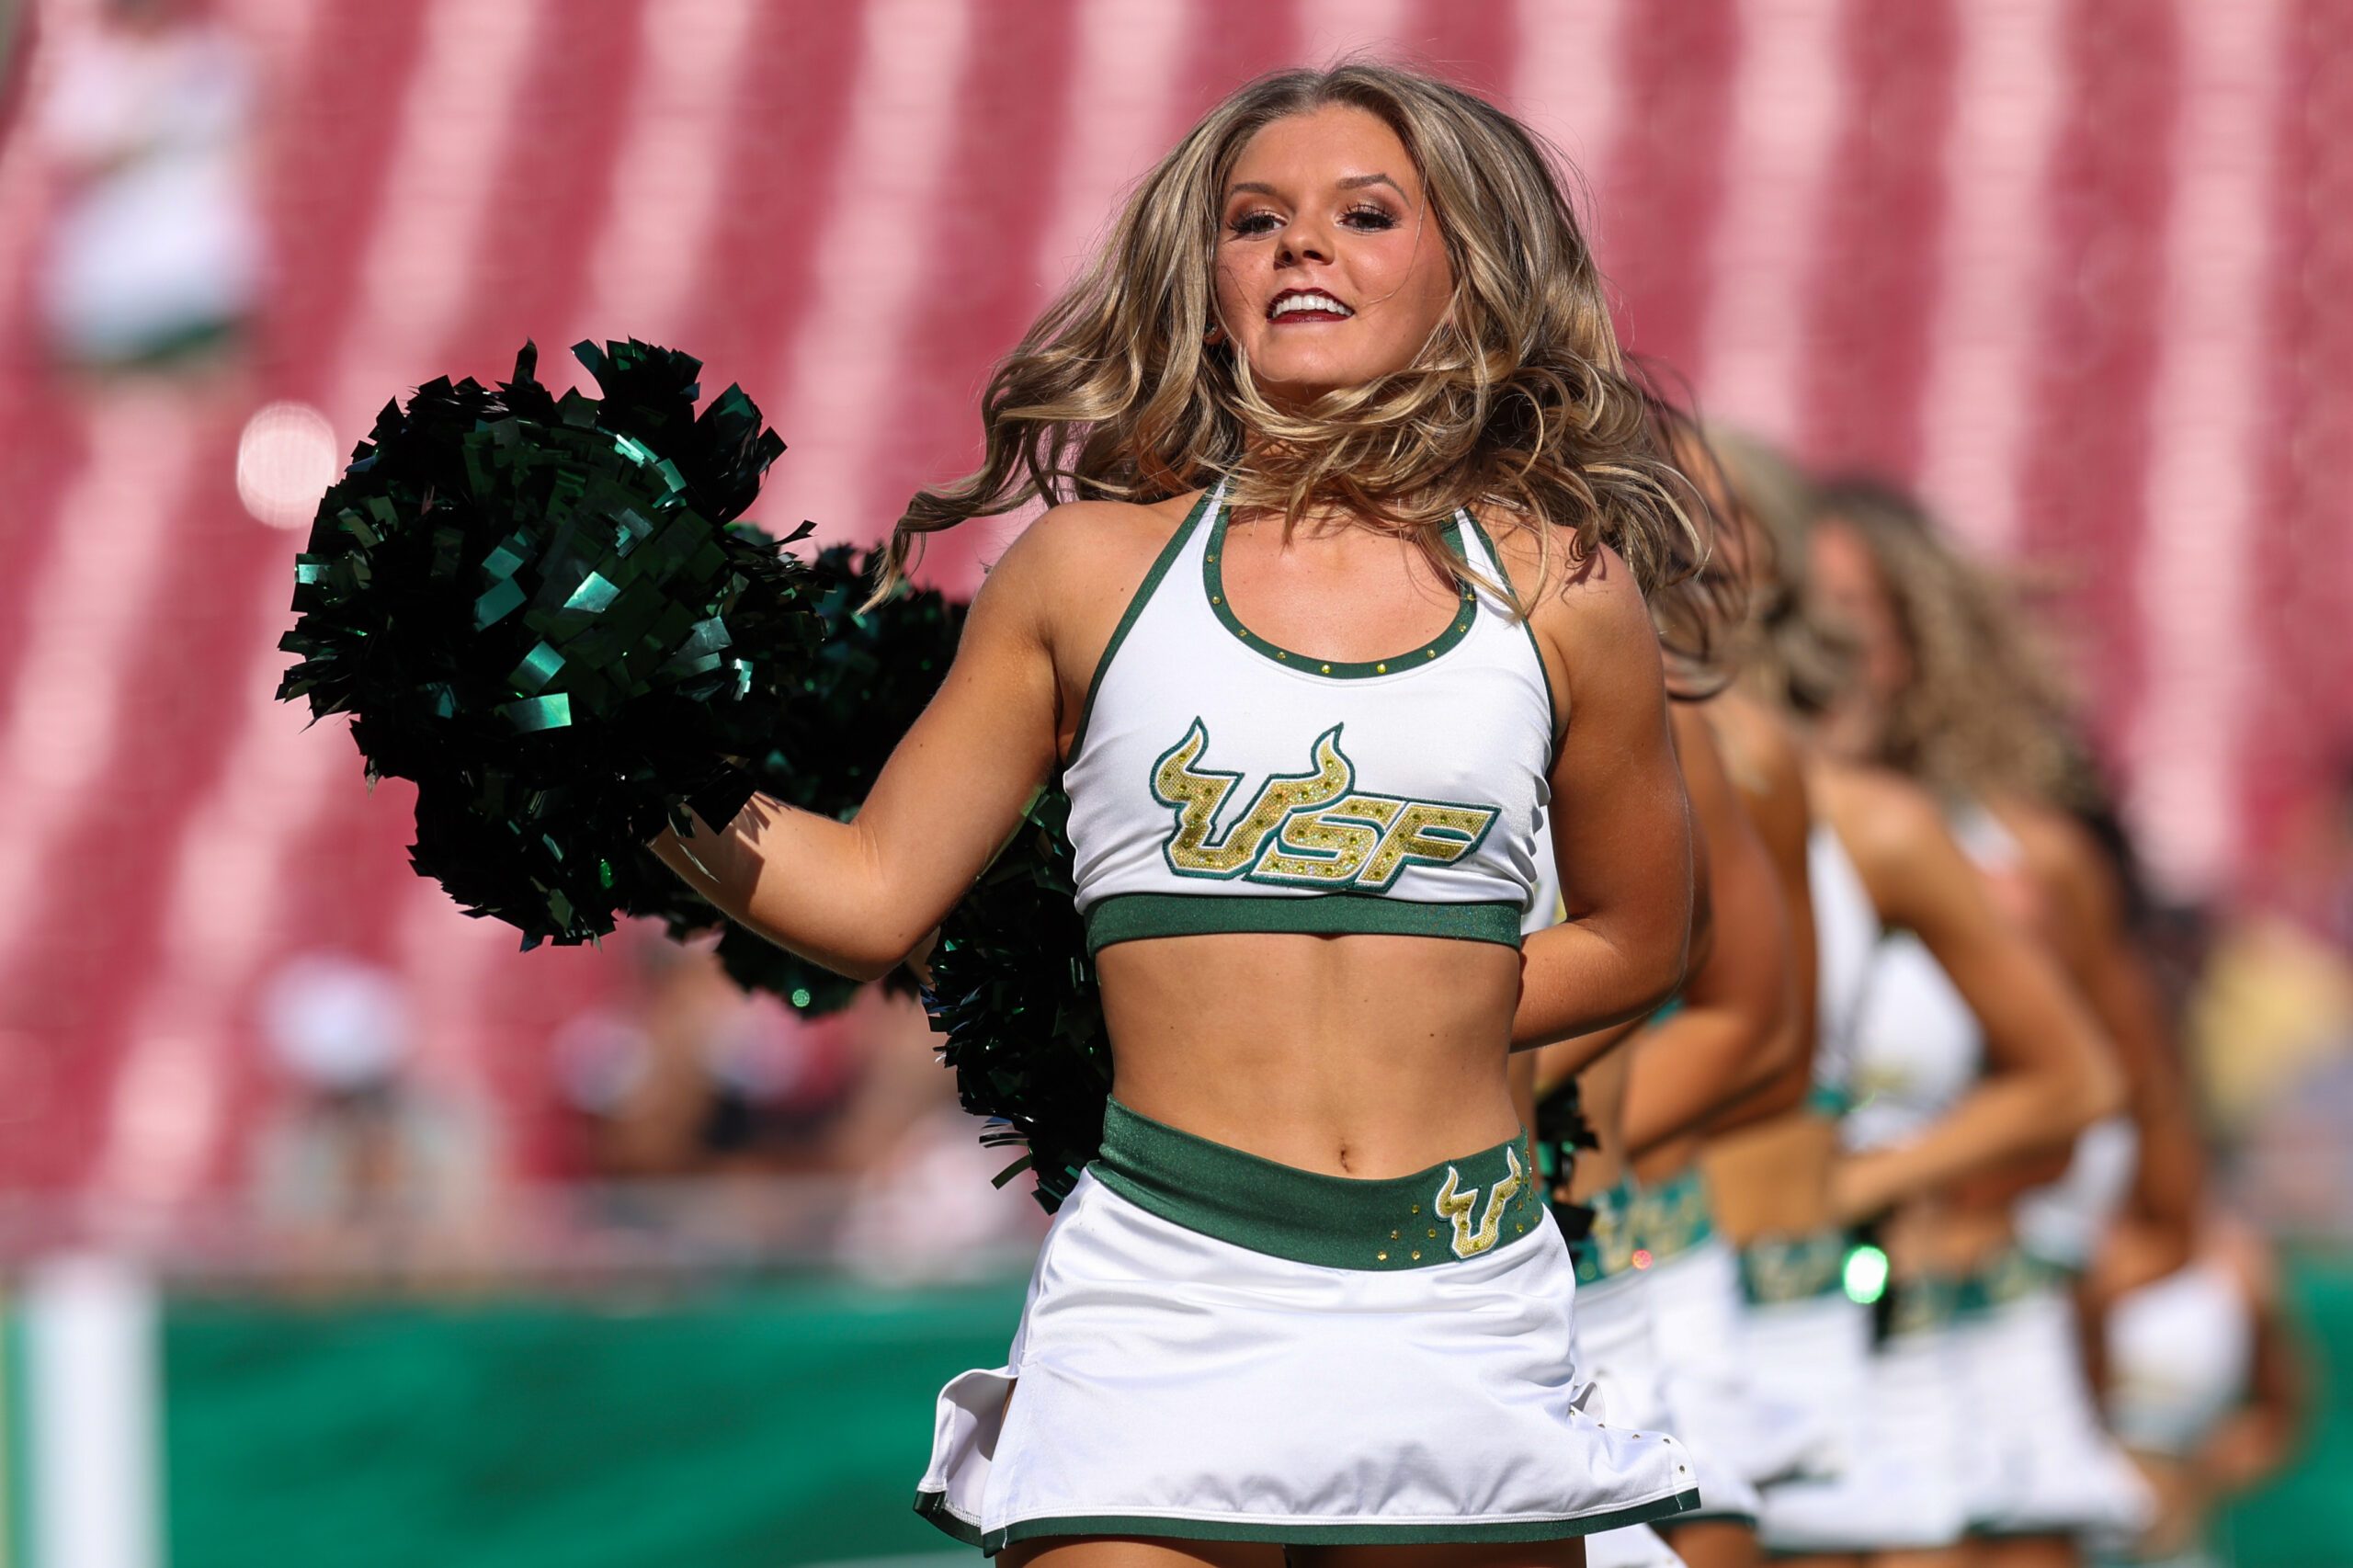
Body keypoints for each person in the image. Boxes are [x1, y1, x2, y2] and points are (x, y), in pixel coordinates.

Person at [654, 63, 1712, 1562]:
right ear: (1204, 277)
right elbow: (873, 891)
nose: (1300, 247)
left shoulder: (1563, 588)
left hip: (1460, 1284)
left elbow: (1642, 933)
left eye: (1365, 214)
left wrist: (1438, 1000)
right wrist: (617, 768)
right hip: (1170, 1284)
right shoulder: (1084, 571)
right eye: (1254, 219)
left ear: (1464, 275)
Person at [1808, 481, 2199, 1564]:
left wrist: (2037, 1292)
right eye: (1797, 604)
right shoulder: (1698, 831)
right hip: (1763, 1342)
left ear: (1921, 636)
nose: (1825, 644)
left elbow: (2157, 1179)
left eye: (1860, 613)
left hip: (1972, 1370)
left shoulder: (2027, 862)